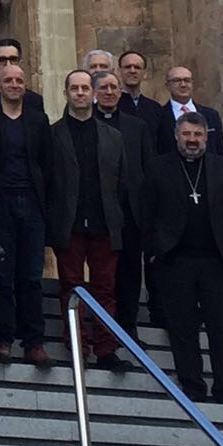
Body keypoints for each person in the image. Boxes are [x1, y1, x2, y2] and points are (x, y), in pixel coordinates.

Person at [144, 112, 223, 405]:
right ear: (176, 136)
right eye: (187, 134)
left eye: (198, 135)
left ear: (206, 137)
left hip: (215, 260)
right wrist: (153, 250)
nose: (192, 140)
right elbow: (146, 213)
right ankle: (192, 386)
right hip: (175, 259)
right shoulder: (158, 167)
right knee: (182, 327)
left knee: (220, 327)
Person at [46, 69, 132, 371]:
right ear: (66, 93)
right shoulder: (54, 134)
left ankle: (107, 348)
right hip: (68, 223)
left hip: (105, 223)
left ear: (93, 93)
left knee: (105, 287)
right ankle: (78, 346)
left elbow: (120, 181)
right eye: (75, 88)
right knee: (71, 286)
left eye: (85, 88)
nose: (80, 93)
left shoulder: (113, 137)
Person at [0, 61, 53, 366]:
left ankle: (34, 341)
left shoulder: (38, 120)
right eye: (8, 80)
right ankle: (3, 338)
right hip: (0, 203)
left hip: (32, 202)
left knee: (32, 274)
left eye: (19, 81)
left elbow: (47, 164)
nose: (14, 85)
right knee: (2, 274)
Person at [93, 69, 151, 339]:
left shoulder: (136, 126)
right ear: (94, 92)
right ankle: (102, 328)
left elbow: (148, 169)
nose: (109, 92)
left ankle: (129, 327)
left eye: (114, 87)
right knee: (103, 272)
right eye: (103, 87)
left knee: (129, 271)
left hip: (131, 211)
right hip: (98, 211)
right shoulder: (86, 122)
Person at [155, 66, 223, 157]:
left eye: (187, 80)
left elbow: (220, 151)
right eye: (177, 80)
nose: (183, 85)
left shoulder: (211, 115)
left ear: (192, 84)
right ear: (167, 86)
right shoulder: (157, 116)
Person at [116, 49, 167, 146]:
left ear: (145, 74)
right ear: (119, 72)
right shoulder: (112, 106)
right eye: (127, 67)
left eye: (137, 67)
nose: (132, 71)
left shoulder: (155, 108)